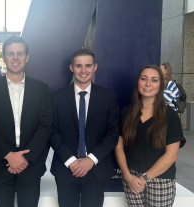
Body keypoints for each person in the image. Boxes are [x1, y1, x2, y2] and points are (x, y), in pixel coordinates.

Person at [0, 35, 52, 207]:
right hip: (1, 166)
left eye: (20, 53)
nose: (15, 58)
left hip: (31, 166)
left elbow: (45, 126)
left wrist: (24, 159)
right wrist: (9, 156)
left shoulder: (41, 89)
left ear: (27, 58)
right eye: (10, 54)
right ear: (3, 58)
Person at [50, 49, 119, 207]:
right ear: (71, 68)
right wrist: (72, 161)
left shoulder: (108, 97)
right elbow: (52, 133)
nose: (83, 70)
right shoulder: (56, 97)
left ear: (95, 67)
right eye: (78, 66)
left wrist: (90, 160)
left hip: (96, 170)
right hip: (66, 169)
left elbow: (113, 134)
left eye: (88, 65)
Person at [115, 65, 186, 207]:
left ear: (161, 85)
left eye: (154, 80)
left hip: (160, 179)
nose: (148, 84)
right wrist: (128, 176)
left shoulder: (170, 115)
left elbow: (172, 156)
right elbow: (119, 148)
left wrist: (145, 177)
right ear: (138, 83)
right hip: (131, 178)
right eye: (144, 79)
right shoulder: (126, 112)